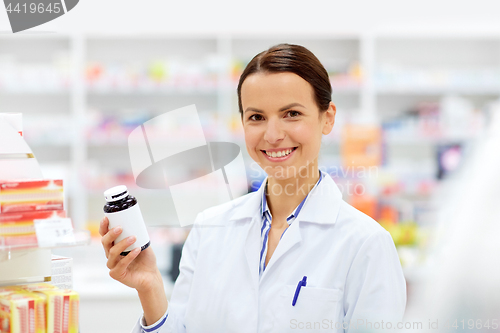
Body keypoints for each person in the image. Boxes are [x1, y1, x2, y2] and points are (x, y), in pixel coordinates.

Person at [99, 43, 406, 333]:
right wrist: (150, 285)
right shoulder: (209, 228)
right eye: (257, 117)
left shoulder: (365, 244)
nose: (272, 135)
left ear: (327, 118)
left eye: (292, 114)